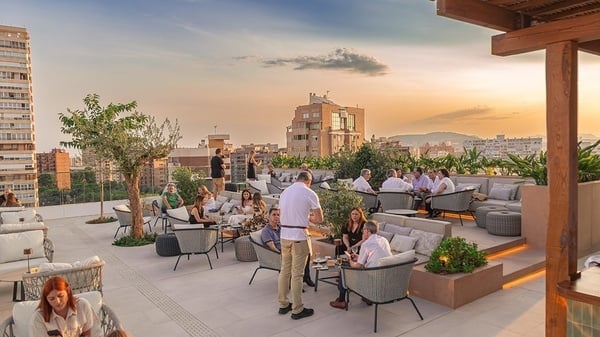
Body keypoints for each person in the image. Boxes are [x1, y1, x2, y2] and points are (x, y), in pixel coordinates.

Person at [277, 171, 323, 320]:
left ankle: (283, 304)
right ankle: (297, 309)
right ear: (308, 181)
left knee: (284, 271)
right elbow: (319, 219)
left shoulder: (284, 192)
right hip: (299, 236)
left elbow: (282, 213)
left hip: (284, 235)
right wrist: (307, 216)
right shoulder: (309, 193)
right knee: (297, 274)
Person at [329, 220, 392, 309]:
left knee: (344, 267)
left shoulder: (366, 244)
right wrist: (359, 257)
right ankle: (366, 297)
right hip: (384, 274)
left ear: (367, 231)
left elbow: (358, 266)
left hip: (371, 276)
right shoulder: (384, 240)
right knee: (350, 264)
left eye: (363, 230)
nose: (362, 232)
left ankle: (341, 300)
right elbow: (374, 257)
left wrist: (350, 260)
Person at [262, 207, 314, 285]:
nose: (276, 216)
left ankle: (306, 277)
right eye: (274, 215)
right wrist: (280, 253)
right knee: (297, 255)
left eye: (278, 215)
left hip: (288, 246)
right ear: (268, 216)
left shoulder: (281, 226)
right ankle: (295, 282)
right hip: (281, 251)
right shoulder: (266, 231)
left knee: (305, 250)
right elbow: (272, 246)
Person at [30, 276, 94, 337]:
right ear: (46, 299)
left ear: (68, 291)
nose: (57, 301)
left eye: (60, 296)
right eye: (52, 299)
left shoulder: (82, 305)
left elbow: (87, 333)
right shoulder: (38, 318)